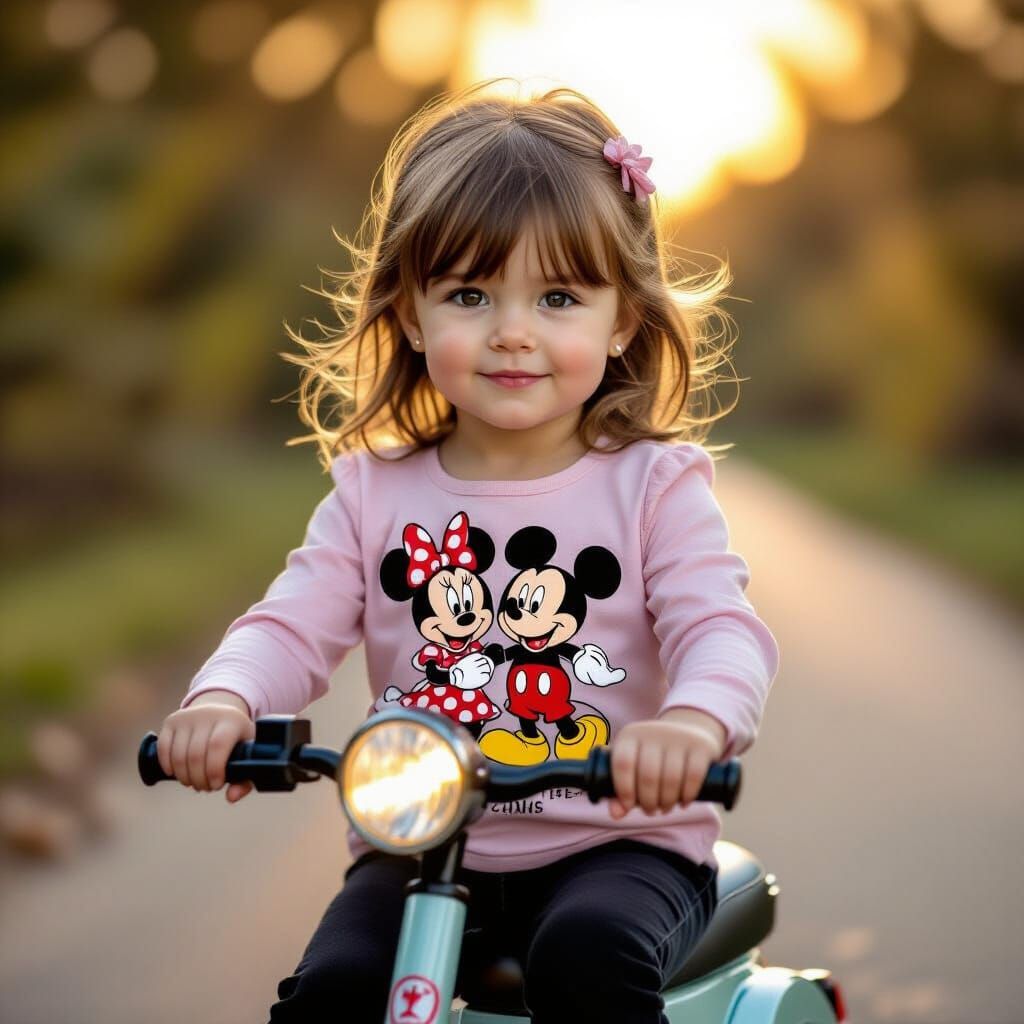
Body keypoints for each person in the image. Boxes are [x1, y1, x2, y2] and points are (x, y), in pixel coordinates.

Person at [157, 79, 779, 1024]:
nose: (513, 331)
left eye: (560, 295)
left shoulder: (654, 487)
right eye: (470, 293)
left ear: (622, 319)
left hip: (623, 848)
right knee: (331, 993)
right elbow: (289, 625)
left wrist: (693, 726)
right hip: (418, 846)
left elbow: (723, 632)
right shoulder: (375, 489)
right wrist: (224, 700)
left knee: (588, 958)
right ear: (410, 312)